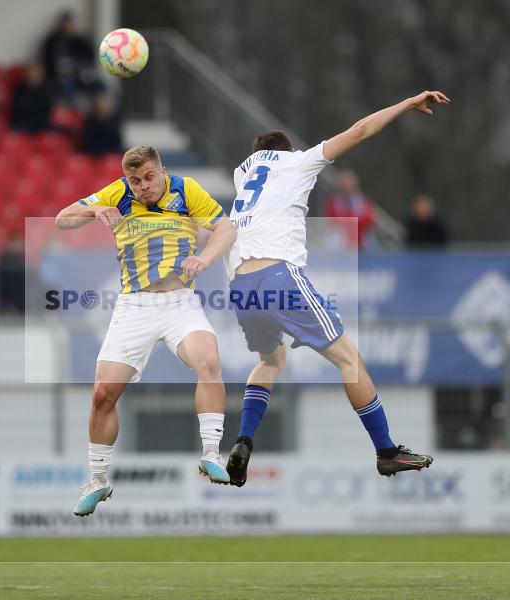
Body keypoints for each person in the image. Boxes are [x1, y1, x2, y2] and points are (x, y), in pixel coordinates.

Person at [224, 91, 450, 486]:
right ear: (290, 149)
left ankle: (243, 439)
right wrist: (407, 103)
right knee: (350, 361)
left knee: (271, 361)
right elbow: (361, 129)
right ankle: (386, 451)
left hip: (241, 285)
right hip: (278, 274)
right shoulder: (299, 160)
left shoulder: (243, 175)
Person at [55, 146, 237, 516]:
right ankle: (98, 480)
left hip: (180, 303)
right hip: (134, 305)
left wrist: (204, 258)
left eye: (149, 177)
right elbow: (63, 218)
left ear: (162, 171)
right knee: (103, 393)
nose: (142, 186)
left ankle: (210, 454)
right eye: (135, 180)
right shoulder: (118, 193)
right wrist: (94, 209)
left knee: (209, 362)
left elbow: (226, 228)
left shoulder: (186, 191)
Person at [39, 11, 101, 104]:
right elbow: (48, 62)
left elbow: (90, 57)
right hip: (60, 78)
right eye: (65, 24)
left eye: (70, 23)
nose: (67, 27)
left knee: (101, 86)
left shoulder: (81, 40)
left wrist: (81, 66)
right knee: (67, 87)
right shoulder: (53, 41)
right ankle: (74, 114)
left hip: (81, 75)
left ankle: (104, 113)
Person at [324, 168, 376, 249]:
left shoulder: (363, 201)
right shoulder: (334, 203)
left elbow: (368, 220)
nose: (345, 185)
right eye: (343, 182)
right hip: (342, 241)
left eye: (348, 181)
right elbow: (333, 221)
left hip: (360, 240)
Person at [9, 61, 56, 133]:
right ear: (28, 73)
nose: (36, 74)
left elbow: (48, 108)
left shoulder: (47, 88)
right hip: (24, 123)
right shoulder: (21, 88)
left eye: (39, 71)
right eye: (34, 71)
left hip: (42, 123)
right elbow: (20, 109)